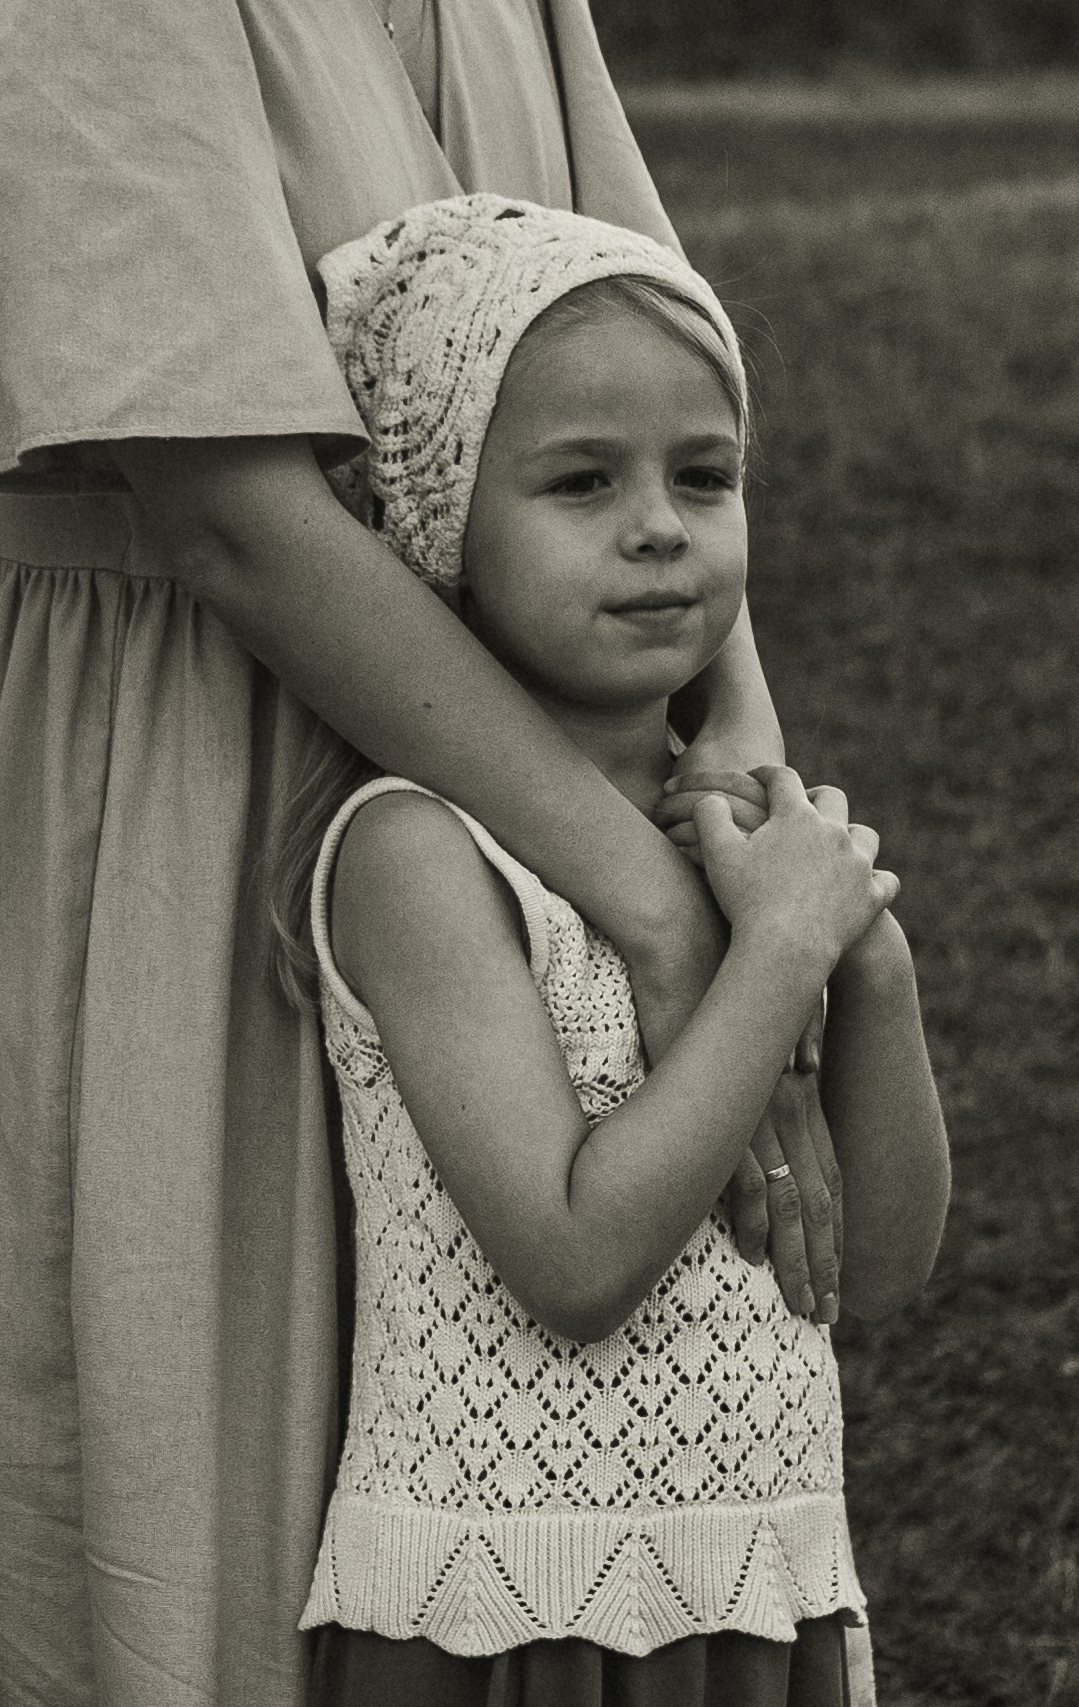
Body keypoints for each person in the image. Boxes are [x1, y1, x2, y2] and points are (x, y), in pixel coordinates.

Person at [0, 6, 842, 1703]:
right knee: (217, 1524)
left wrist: (740, 781)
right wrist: (658, 906)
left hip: (550, 749)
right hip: (195, 776)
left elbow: (637, 364)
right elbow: (225, 510)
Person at [288, 194, 951, 1706]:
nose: (658, 525)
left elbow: (888, 1263)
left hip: (759, 1590)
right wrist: (777, 957)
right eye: (579, 482)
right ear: (447, 524)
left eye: (703, 477)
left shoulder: (744, 851)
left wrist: (872, 969)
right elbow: (573, 1262)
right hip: (505, 1610)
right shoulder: (421, 855)